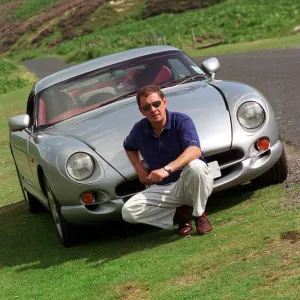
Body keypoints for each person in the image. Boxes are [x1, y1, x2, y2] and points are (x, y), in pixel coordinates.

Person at [122, 85, 214, 236]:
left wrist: (167, 169)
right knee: (129, 211)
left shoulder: (181, 120)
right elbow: (129, 146)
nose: (153, 110)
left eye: (156, 104)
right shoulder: (139, 129)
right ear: (141, 110)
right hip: (164, 189)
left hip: (190, 181)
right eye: (146, 107)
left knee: (196, 166)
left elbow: (194, 150)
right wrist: (139, 169)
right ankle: (181, 216)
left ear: (164, 102)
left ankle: (199, 216)